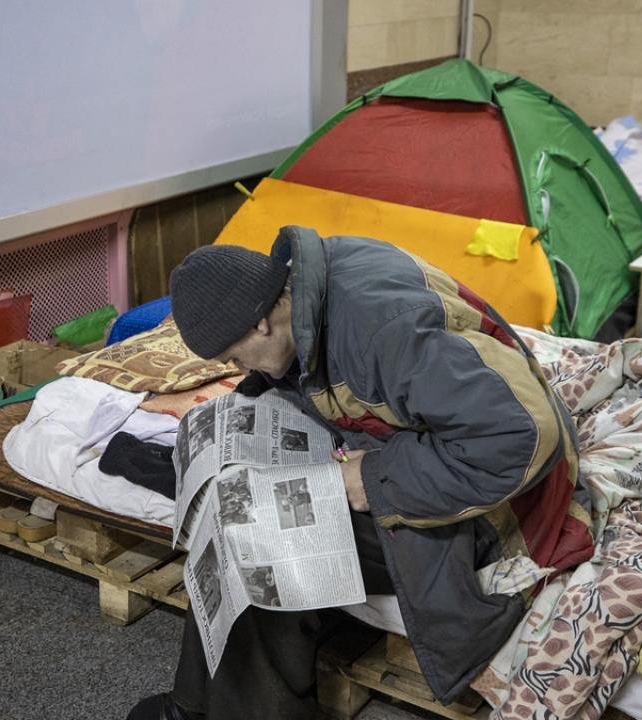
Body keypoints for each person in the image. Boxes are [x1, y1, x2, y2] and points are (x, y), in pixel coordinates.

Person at [128, 226, 593, 720]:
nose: (237, 367)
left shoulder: (381, 331)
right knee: (234, 503)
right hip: (426, 446)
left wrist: (370, 479)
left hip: (502, 506)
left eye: (234, 356)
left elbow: (522, 438)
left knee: (261, 543)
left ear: (261, 322)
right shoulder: (317, 281)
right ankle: (194, 708)